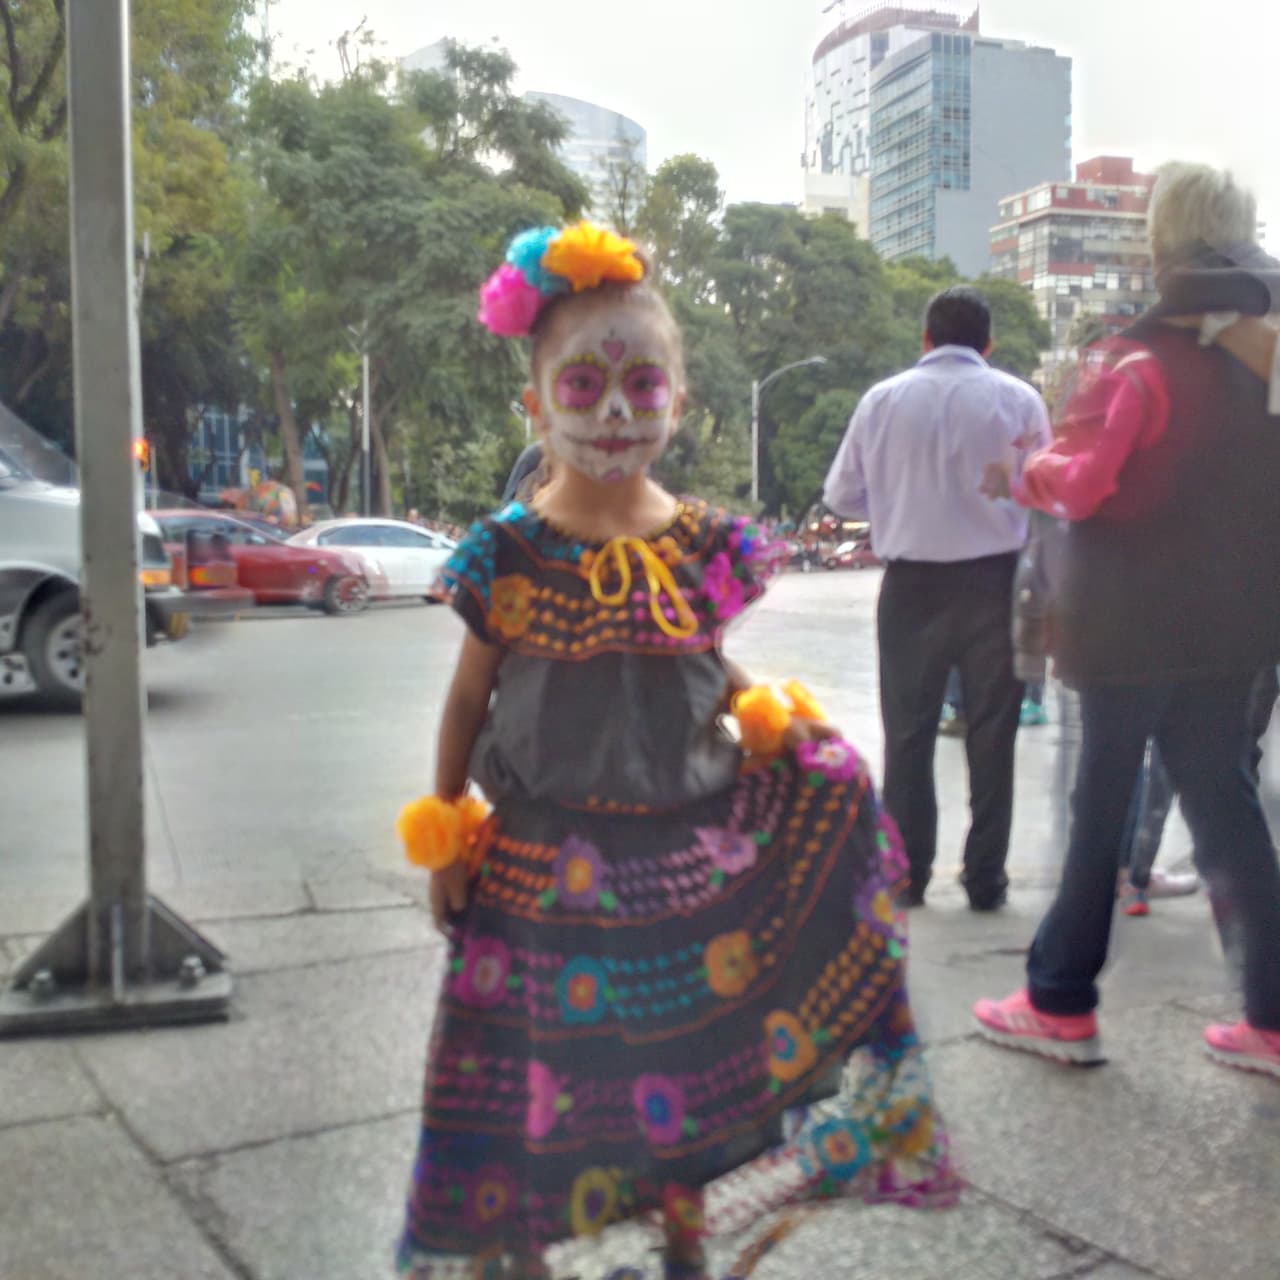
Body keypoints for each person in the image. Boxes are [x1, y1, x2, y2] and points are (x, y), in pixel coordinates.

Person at [395, 221, 957, 1279]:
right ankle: (504, 1254)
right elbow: (469, 696)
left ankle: (681, 1244)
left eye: (642, 385)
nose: (613, 411)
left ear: (678, 402)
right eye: (583, 385)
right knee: (526, 1081)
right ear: (534, 398)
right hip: (529, 874)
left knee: (681, 1072)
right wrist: (444, 840)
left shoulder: (703, 542)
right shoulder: (505, 551)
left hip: (685, 870)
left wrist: (788, 733)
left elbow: (693, 662)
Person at [973, 163, 1280, 1076]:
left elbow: (1083, 478)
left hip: (1127, 623)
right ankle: (1271, 1016)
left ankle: (1059, 999)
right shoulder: (1265, 360)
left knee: (1100, 803)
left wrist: (1018, 475)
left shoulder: (1133, 359)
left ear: (1159, 242)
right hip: (1234, 623)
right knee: (1225, 803)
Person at [824, 286, 1052, 910]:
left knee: (908, 737)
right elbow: (1045, 489)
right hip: (994, 584)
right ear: (988, 343)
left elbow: (841, 496)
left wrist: (897, 501)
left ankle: (907, 876)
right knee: (992, 735)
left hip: (911, 589)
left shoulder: (882, 401)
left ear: (925, 338)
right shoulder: (1019, 399)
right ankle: (985, 881)